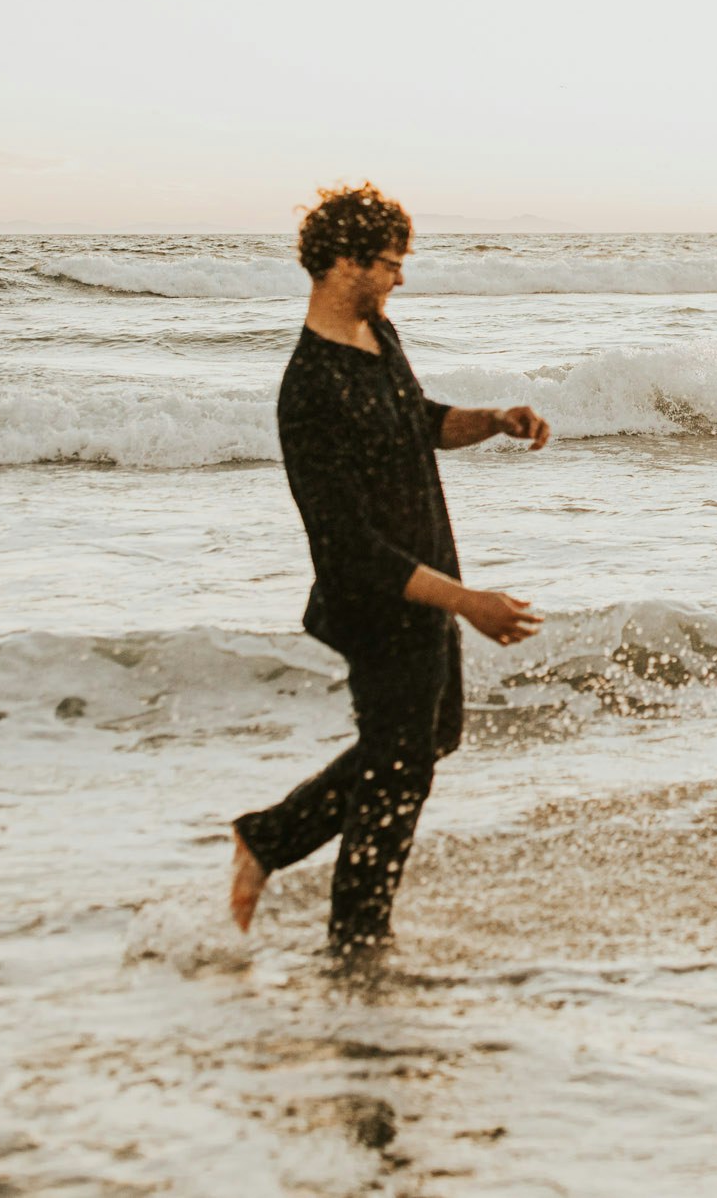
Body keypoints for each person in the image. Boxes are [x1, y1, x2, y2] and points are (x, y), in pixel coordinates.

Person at [230, 183, 550, 955]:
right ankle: (357, 940)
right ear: (343, 262)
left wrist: (494, 421)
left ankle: (269, 840)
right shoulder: (309, 389)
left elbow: (419, 419)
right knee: (400, 764)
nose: (400, 278)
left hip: (426, 582)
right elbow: (348, 547)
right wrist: (467, 601)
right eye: (389, 263)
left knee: (429, 738)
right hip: (375, 601)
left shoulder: (380, 338)